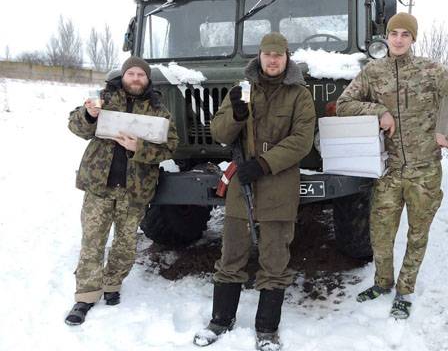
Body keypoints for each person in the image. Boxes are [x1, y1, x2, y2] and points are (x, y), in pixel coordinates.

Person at [336, 12, 448, 319]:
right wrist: (378, 110)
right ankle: (382, 283)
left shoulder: (431, 70)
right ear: (387, 37)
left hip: (424, 171)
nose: (399, 39)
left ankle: (405, 290)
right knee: (380, 233)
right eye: (394, 33)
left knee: (417, 233)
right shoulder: (373, 72)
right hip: (389, 170)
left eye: (406, 34)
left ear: (413, 39)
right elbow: (343, 105)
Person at [193, 32, 316, 350]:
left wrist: (263, 163)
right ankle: (220, 320)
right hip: (242, 182)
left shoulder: (299, 94)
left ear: (286, 57)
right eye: (267, 54)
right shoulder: (242, 89)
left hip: (278, 180)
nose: (272, 60)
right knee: (231, 254)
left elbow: (302, 140)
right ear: (259, 57)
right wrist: (236, 114)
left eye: (278, 55)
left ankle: (267, 329)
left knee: (275, 258)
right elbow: (219, 133)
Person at [64, 57, 178, 325]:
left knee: (126, 244)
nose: (136, 78)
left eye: (141, 74)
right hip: (99, 186)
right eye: (132, 73)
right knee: (93, 241)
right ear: (124, 76)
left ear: (147, 79)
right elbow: (75, 126)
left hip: (135, 189)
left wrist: (140, 148)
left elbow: (170, 145)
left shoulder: (158, 108)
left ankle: (113, 284)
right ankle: (86, 296)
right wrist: (89, 115)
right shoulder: (102, 98)